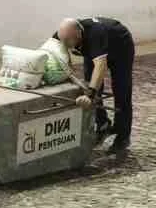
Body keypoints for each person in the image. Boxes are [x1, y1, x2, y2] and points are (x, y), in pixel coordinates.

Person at [54, 17, 134, 156]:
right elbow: (49, 51)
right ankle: (103, 124)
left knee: (121, 90)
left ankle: (123, 135)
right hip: (94, 50)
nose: (65, 44)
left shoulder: (95, 35)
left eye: (68, 41)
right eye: (63, 40)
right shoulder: (63, 34)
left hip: (120, 46)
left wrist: (90, 94)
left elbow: (100, 66)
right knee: (89, 83)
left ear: (78, 34)